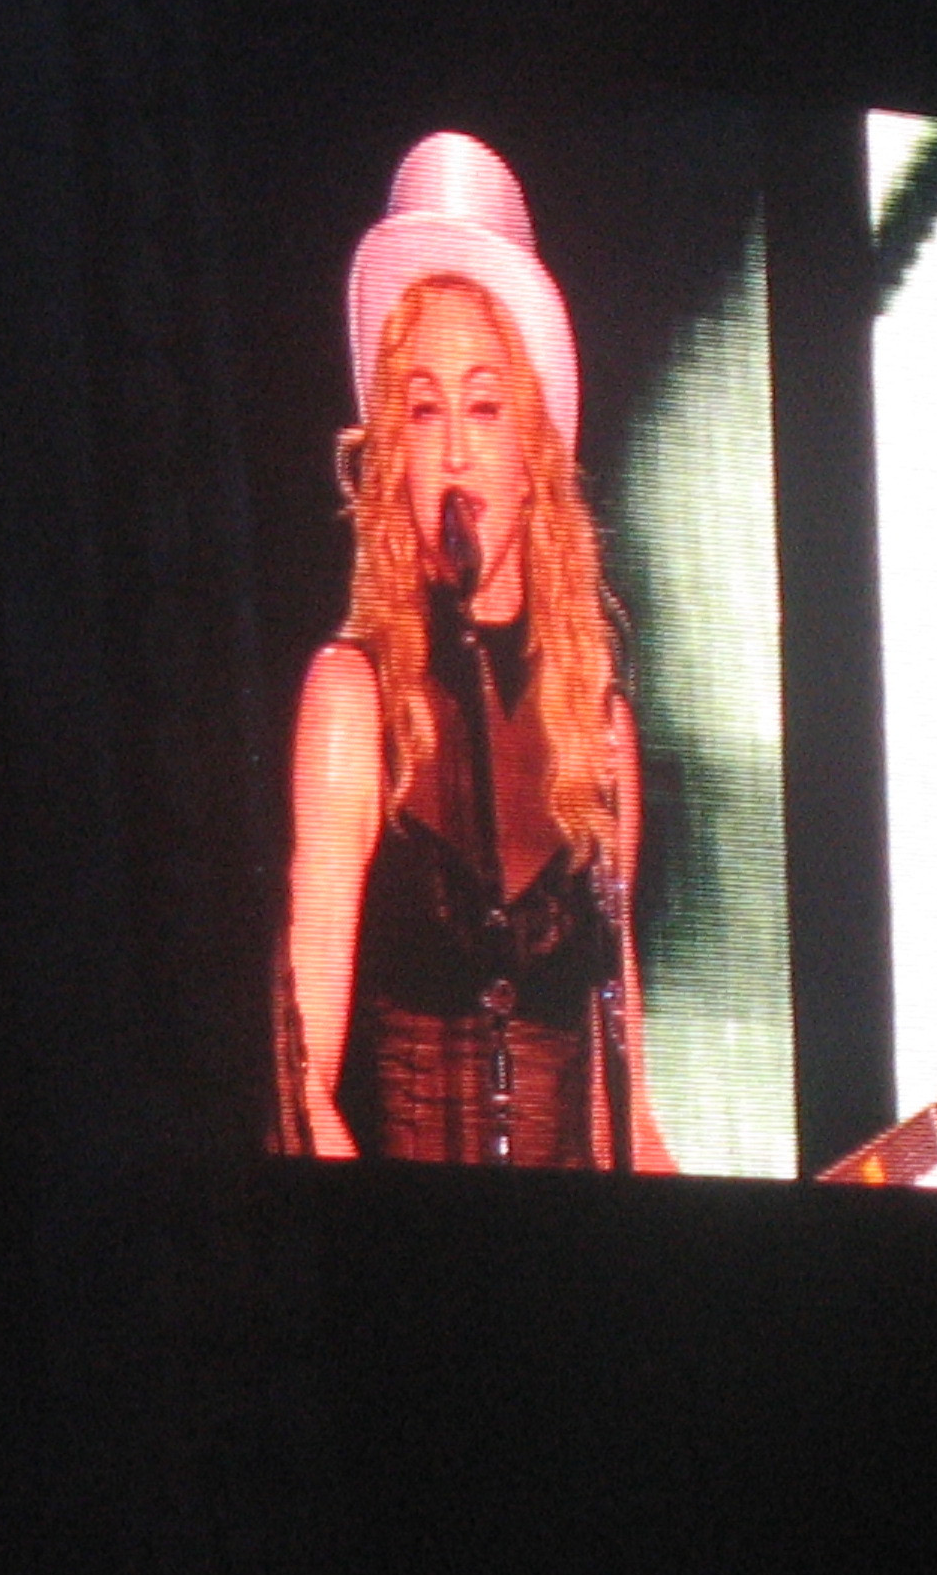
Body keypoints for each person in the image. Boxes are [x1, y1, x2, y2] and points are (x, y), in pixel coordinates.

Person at [274, 131, 675, 1171]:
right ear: (392, 458)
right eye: (423, 410)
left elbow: (623, 1113)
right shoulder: (352, 700)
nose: (455, 450)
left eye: (485, 407)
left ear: (532, 447)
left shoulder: (599, 732)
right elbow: (293, 1076)